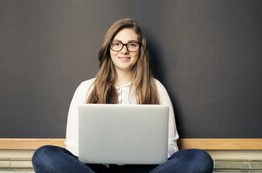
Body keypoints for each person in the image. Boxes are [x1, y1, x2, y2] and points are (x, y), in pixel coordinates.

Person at [32, 18, 213, 173]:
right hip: (96, 169)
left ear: (140, 50)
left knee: (200, 159)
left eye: (132, 44)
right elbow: (72, 145)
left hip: (146, 169)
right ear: (108, 48)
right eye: (117, 43)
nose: (124, 50)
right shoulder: (86, 88)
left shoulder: (155, 88)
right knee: (44, 155)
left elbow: (171, 147)